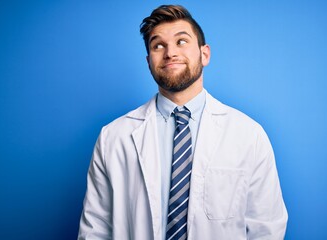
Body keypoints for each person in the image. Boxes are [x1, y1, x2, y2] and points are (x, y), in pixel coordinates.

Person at [78, 4, 288, 240]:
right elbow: (95, 230)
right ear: (149, 61)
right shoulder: (113, 137)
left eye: (181, 41)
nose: (170, 53)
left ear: (204, 54)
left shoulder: (248, 134)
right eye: (158, 45)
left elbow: (266, 229)